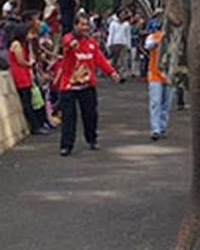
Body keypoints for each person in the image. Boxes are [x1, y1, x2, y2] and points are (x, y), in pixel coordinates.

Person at [57, 14, 121, 156]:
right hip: (69, 86)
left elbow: (100, 59)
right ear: (75, 25)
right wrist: (72, 44)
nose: (85, 28)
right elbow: (67, 41)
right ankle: (66, 145)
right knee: (69, 117)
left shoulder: (91, 43)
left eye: (87, 25)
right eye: (82, 25)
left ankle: (92, 139)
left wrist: (112, 72)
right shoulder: (68, 38)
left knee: (90, 115)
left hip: (87, 86)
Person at [8, 23, 50, 136]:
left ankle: (39, 123)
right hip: (20, 73)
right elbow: (20, 60)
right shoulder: (16, 44)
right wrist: (29, 63)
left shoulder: (24, 44)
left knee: (32, 99)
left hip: (25, 73)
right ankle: (35, 126)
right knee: (27, 102)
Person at [146, 26, 173, 141]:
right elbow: (148, 46)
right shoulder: (153, 37)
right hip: (155, 75)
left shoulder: (174, 39)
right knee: (155, 102)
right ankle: (155, 129)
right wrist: (159, 41)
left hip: (169, 76)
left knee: (167, 104)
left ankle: (162, 127)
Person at [106, 8, 132, 78]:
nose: (123, 15)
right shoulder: (113, 23)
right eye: (122, 14)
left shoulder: (126, 24)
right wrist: (109, 43)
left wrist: (129, 45)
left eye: (124, 14)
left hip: (123, 43)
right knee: (115, 59)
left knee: (123, 60)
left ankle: (122, 74)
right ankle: (113, 72)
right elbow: (111, 34)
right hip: (115, 43)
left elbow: (128, 35)